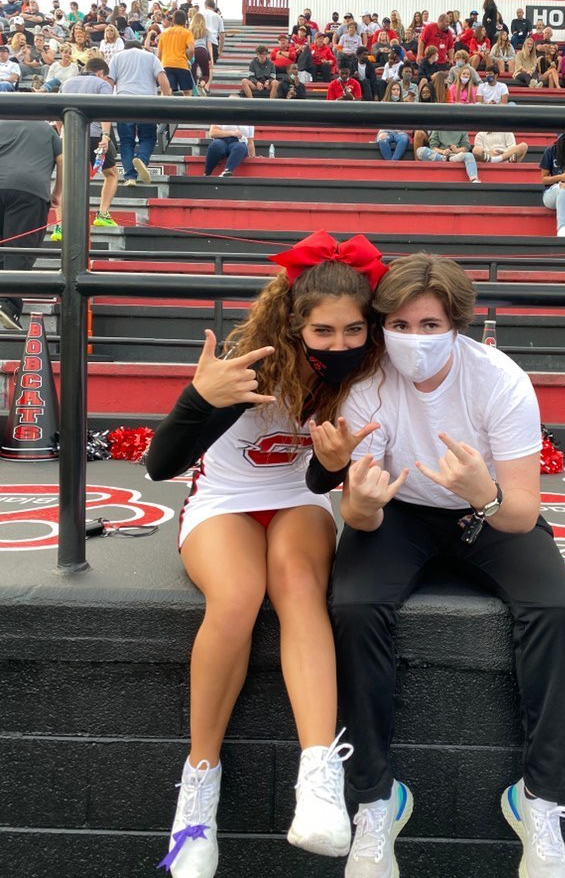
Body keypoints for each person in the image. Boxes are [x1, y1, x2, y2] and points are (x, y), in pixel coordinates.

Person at [308, 253, 565, 878]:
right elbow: (359, 514)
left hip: (486, 507)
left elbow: (520, 512)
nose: (413, 339)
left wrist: (480, 491)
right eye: (399, 324)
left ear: (456, 323)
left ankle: (538, 801)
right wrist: (365, 508)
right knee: (353, 605)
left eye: (429, 325)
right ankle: (376, 800)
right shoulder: (367, 383)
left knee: (558, 607)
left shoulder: (499, 380)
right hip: (398, 511)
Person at [147, 230, 388, 877]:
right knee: (236, 596)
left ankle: (318, 780)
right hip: (224, 498)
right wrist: (199, 400)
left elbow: (314, 480)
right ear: (293, 324)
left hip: (293, 498)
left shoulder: (362, 372)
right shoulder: (247, 367)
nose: (339, 344)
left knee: (298, 582)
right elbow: (159, 463)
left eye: (352, 330)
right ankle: (198, 797)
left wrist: (331, 469)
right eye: (323, 332)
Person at [0, 120, 63, 329]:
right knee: (19, 248)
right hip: (30, 189)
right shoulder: (46, 129)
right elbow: (63, 160)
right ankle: (7, 303)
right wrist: (57, 192)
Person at [59, 57, 119, 232]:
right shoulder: (102, 84)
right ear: (101, 73)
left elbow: (58, 114)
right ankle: (102, 214)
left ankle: (60, 227)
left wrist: (62, 133)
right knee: (112, 174)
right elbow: (105, 110)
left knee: (65, 180)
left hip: (68, 136)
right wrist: (106, 136)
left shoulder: (67, 83)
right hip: (93, 135)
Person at [108, 41, 172, 187]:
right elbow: (162, 78)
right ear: (140, 47)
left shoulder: (117, 57)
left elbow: (109, 81)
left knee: (126, 141)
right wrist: (168, 98)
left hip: (124, 103)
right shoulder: (150, 57)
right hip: (147, 102)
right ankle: (142, 160)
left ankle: (130, 177)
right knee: (148, 137)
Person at [157, 9, 195, 96]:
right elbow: (191, 49)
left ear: (173, 20)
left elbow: (159, 54)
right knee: (187, 92)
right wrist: (188, 57)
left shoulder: (164, 33)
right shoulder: (187, 33)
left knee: (167, 91)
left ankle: (164, 108)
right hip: (181, 64)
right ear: (185, 21)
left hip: (166, 64)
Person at [375, 82, 410, 161]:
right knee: (382, 140)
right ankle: (390, 163)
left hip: (399, 132)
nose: (396, 91)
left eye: (398, 89)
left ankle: (393, 162)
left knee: (404, 139)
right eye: (393, 89)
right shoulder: (382, 104)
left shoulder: (404, 105)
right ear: (389, 91)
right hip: (385, 131)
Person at [190, 13, 213, 94]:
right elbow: (209, 45)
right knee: (206, 74)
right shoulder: (206, 31)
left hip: (192, 51)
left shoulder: (190, 30)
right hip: (203, 51)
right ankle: (201, 83)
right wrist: (210, 58)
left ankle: (194, 91)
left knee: (192, 73)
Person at [203, 0, 225, 64]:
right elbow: (222, 36)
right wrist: (220, 50)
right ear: (214, 7)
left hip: (201, 43)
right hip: (213, 43)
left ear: (205, 5)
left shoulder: (199, 14)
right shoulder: (218, 17)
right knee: (210, 67)